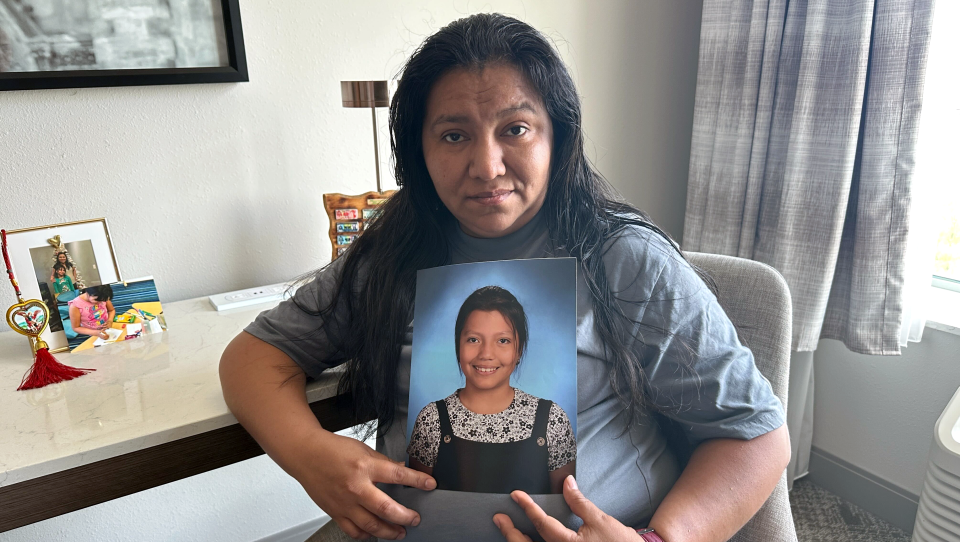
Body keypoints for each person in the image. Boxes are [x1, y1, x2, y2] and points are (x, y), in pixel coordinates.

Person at [220, 13, 790, 542]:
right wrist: (308, 455)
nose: (486, 166)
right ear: (417, 151)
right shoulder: (390, 256)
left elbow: (757, 435)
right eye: (453, 135)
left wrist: (659, 540)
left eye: (515, 129)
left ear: (557, 137)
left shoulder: (623, 257)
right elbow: (255, 357)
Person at [407, 286, 576, 495]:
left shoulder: (552, 419)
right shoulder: (430, 419)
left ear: (519, 350)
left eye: (503, 341)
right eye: (473, 340)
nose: (486, 354)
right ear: (457, 346)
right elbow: (416, 503)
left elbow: (563, 509)